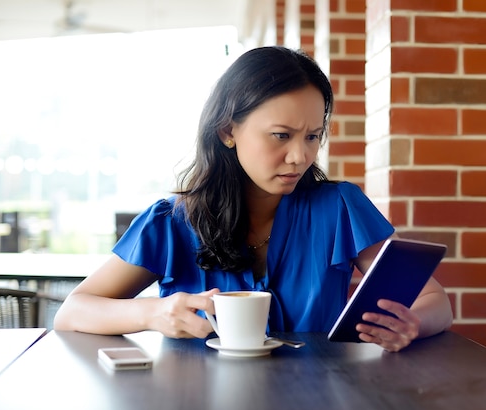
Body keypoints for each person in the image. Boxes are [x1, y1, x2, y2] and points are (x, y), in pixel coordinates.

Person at [54, 46, 452, 352]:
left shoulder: (340, 207)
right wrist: (152, 313)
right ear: (228, 131)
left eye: (313, 136)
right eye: (281, 135)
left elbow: (437, 302)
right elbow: (72, 311)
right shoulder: (172, 220)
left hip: (318, 400)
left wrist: (411, 324)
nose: (301, 156)